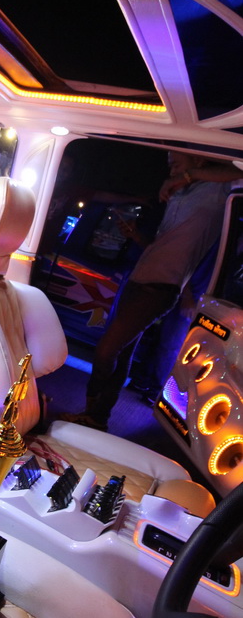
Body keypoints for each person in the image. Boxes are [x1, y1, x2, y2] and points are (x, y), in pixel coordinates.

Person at [63, 150, 242, 431]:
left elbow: (239, 171)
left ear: (198, 160)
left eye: (176, 163)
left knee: (106, 350)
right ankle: (98, 417)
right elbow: (163, 245)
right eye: (170, 165)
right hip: (139, 278)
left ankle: (91, 405)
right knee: (122, 353)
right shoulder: (179, 193)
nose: (172, 170)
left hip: (160, 287)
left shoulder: (217, 190)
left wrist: (188, 176)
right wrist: (136, 235)